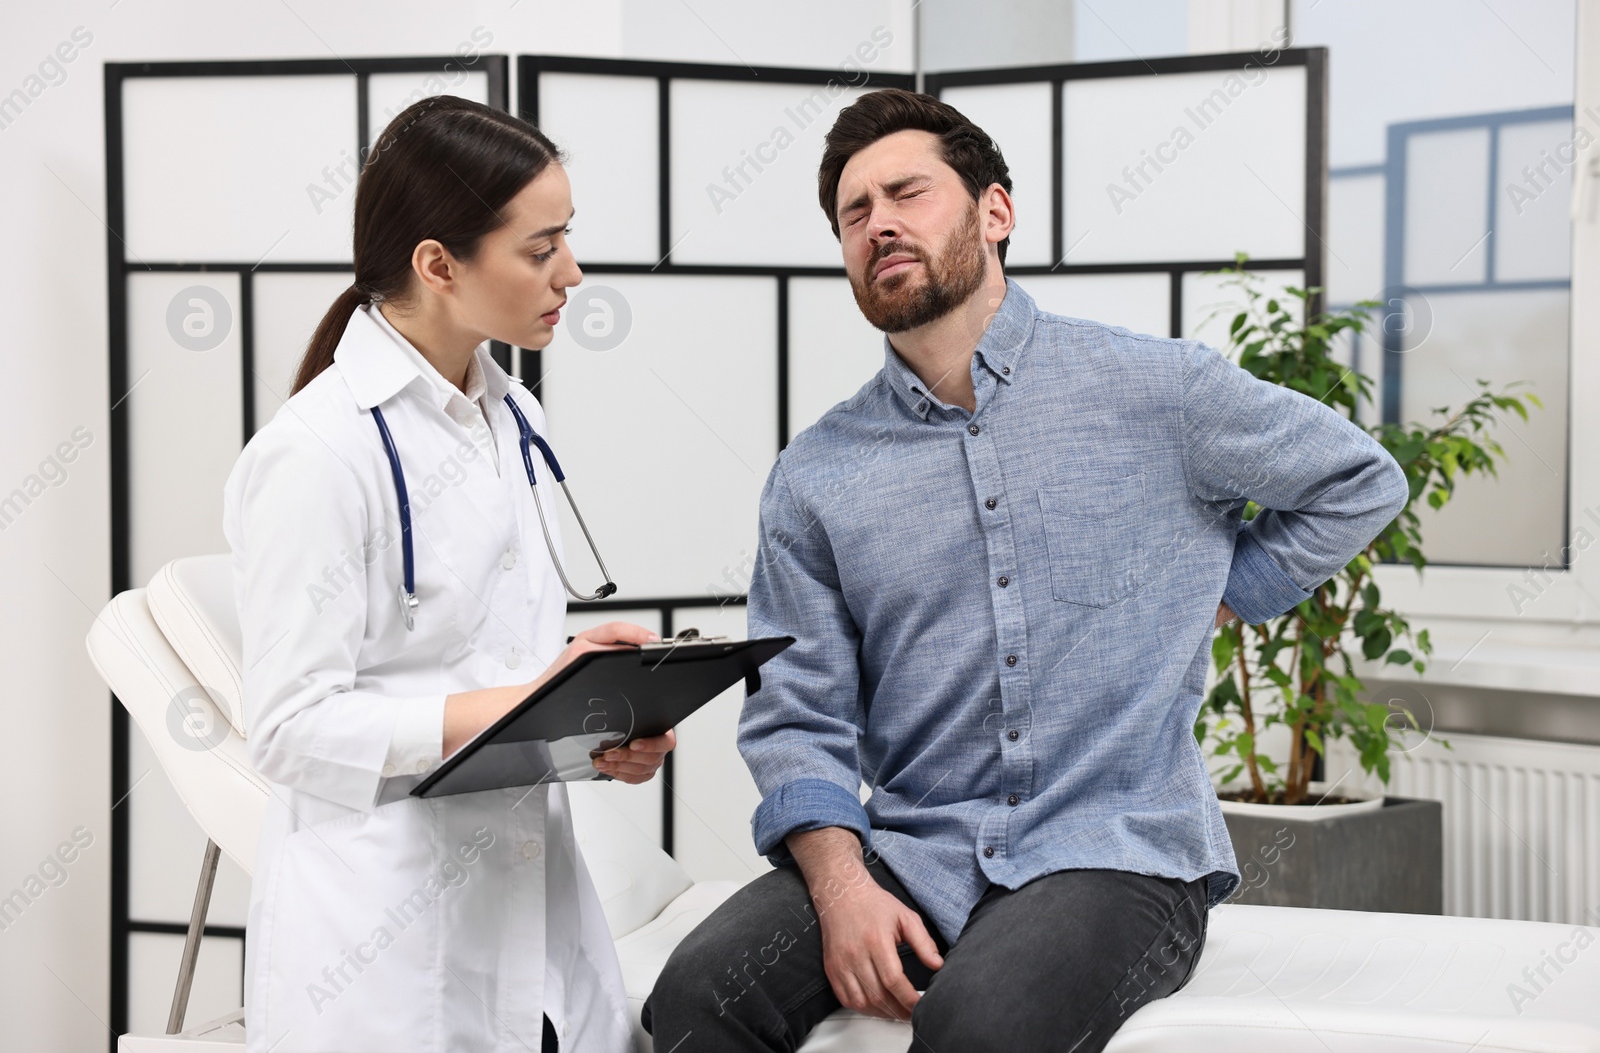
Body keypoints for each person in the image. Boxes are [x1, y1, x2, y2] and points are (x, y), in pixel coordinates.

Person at [643, 88, 1409, 1051]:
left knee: (982, 1024)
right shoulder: (815, 475)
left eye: (907, 192)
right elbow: (799, 713)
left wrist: (1233, 588)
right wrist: (842, 888)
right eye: (853, 212)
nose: (878, 222)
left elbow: (1359, 479)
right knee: (696, 994)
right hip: (910, 848)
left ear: (994, 212)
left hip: (1122, 851)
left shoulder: (1161, 390)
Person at [224, 95, 673, 1053]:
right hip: (383, 951)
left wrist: (585, 710)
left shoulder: (514, 418)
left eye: (568, 240)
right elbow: (290, 727)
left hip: (532, 919)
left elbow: (469, 661)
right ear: (438, 264)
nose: (572, 273)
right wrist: (526, 701)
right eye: (541, 248)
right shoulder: (316, 452)